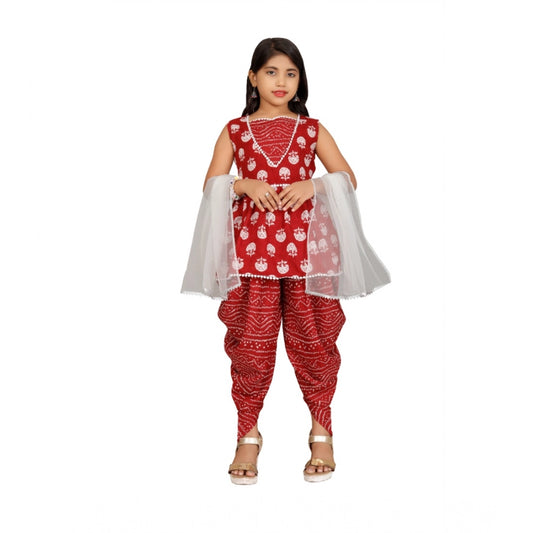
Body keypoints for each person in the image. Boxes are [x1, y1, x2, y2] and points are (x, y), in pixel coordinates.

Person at [181, 37, 390, 485]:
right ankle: (248, 433)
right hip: (252, 254)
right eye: (272, 72)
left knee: (314, 340)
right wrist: (244, 185)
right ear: (253, 78)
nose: (281, 81)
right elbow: (211, 183)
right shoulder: (235, 131)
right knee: (251, 345)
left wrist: (315, 185)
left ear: (300, 81)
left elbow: (347, 177)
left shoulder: (312, 130)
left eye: (291, 73)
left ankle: (321, 430)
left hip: (309, 254)